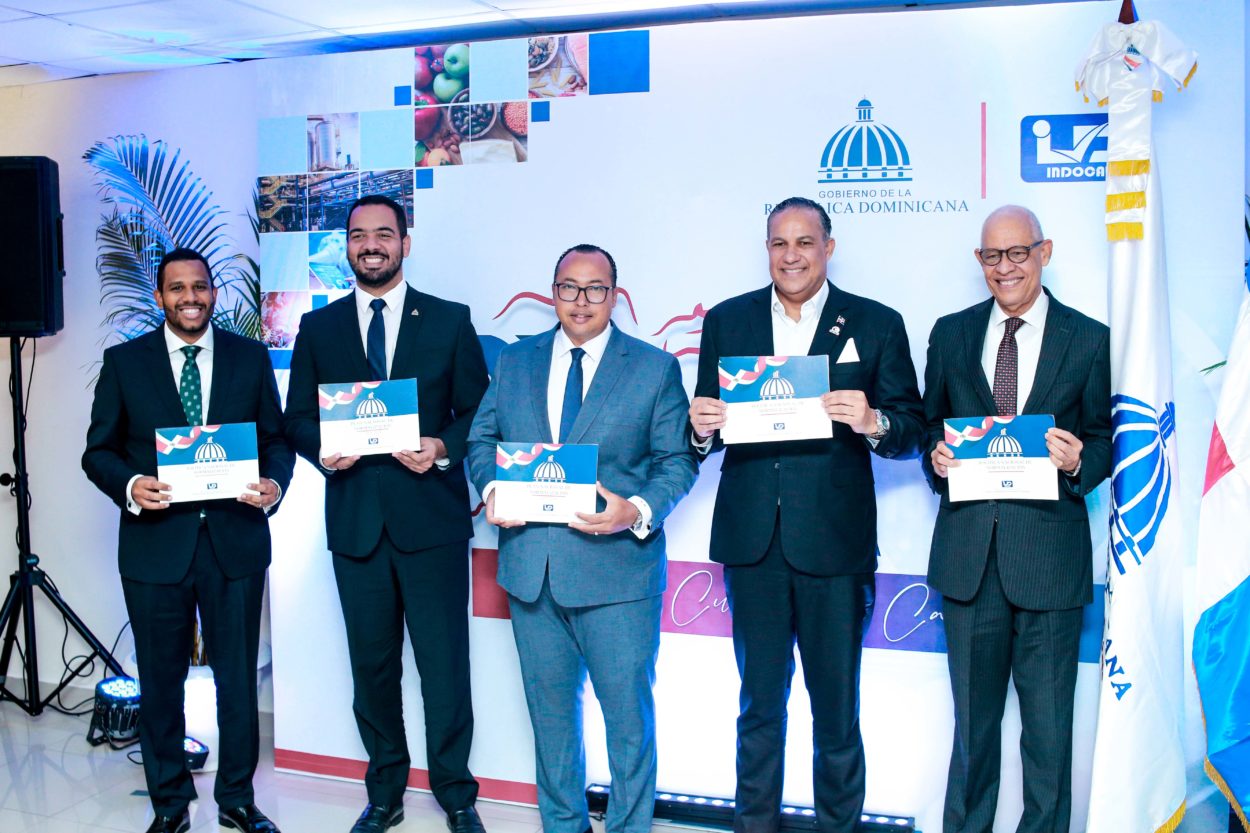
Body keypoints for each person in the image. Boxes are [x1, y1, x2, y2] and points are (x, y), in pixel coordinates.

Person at [688, 197, 924, 833]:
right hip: (753, 545)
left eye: (804, 242)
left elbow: (912, 427)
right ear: (766, 249)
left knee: (837, 713)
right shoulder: (728, 321)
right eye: (778, 243)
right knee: (758, 709)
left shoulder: (876, 323)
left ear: (828, 247)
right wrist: (700, 428)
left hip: (835, 546)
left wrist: (874, 421)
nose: (790, 256)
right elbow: (705, 428)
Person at [467, 244, 697, 833]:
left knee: (627, 724)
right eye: (569, 287)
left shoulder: (653, 367)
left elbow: (677, 462)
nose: (581, 300)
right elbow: (481, 440)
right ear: (553, 293)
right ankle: (563, 825)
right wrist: (492, 489)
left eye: (595, 288)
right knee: (551, 724)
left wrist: (636, 510)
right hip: (533, 573)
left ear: (615, 296)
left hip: (618, 573)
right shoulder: (515, 362)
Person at [283, 195, 490, 833]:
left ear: (405, 242)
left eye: (383, 234)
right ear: (346, 246)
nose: (370, 245)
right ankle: (384, 793)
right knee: (371, 669)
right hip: (357, 527)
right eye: (358, 235)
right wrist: (323, 449)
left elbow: (478, 412)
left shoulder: (450, 320)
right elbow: (296, 418)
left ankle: (457, 794)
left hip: (432, 524)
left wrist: (442, 447)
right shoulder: (318, 328)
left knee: (444, 666)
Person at [82, 248, 294, 833]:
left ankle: (237, 800)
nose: (190, 297)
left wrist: (274, 483)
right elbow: (97, 452)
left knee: (237, 680)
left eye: (199, 286)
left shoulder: (249, 358)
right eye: (177, 288)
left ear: (213, 293)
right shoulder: (125, 363)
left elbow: (275, 440)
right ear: (160, 297)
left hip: (235, 542)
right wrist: (131, 485)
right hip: (155, 546)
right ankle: (170, 804)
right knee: (160, 681)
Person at [922, 205, 1111, 833]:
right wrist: (936, 457)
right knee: (971, 735)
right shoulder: (951, 333)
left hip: (1049, 564)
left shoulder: (1089, 339)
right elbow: (930, 426)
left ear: (1044, 252)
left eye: (1017, 253)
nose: (1004, 268)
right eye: (991, 256)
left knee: (1049, 738)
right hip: (969, 560)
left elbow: (1105, 438)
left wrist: (1080, 459)